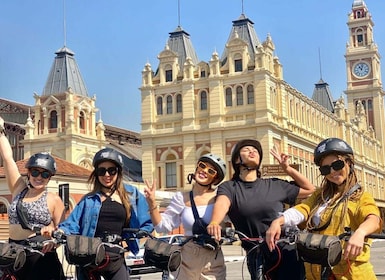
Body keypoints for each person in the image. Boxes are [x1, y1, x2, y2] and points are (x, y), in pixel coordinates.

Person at [266, 137, 382, 280]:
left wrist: (360, 232)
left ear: (349, 163)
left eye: (337, 165)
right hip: (317, 272)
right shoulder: (320, 195)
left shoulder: (360, 196)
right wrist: (279, 221)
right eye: (326, 169)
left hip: (351, 273)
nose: (332, 172)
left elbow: (373, 218)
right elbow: (303, 209)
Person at [207, 139, 316, 280]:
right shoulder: (229, 187)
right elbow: (222, 204)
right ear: (236, 159)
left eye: (256, 151)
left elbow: (310, 189)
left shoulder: (274, 184)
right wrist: (215, 222)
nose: (252, 151)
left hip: (285, 250)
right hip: (256, 254)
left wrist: (287, 169)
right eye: (246, 150)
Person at [58, 147, 153, 280]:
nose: (107, 175)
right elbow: (72, 223)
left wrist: (131, 240)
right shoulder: (88, 199)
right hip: (89, 256)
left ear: (118, 172)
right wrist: (61, 232)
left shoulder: (132, 194)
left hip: (115, 256)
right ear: (96, 174)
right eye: (102, 171)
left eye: (111, 170)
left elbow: (147, 223)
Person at [0, 116, 66, 279]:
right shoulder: (18, 189)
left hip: (40, 258)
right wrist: (1, 132)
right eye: (35, 172)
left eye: (45, 174)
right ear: (28, 173)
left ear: (50, 177)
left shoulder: (53, 199)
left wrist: (53, 237)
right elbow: (8, 158)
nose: (39, 177)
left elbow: (65, 231)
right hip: (14, 255)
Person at [144, 153, 227, 280]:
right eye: (202, 166)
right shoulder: (181, 197)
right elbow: (162, 226)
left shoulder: (221, 198)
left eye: (211, 171)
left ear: (215, 179)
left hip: (212, 259)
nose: (204, 171)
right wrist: (152, 203)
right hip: (187, 257)